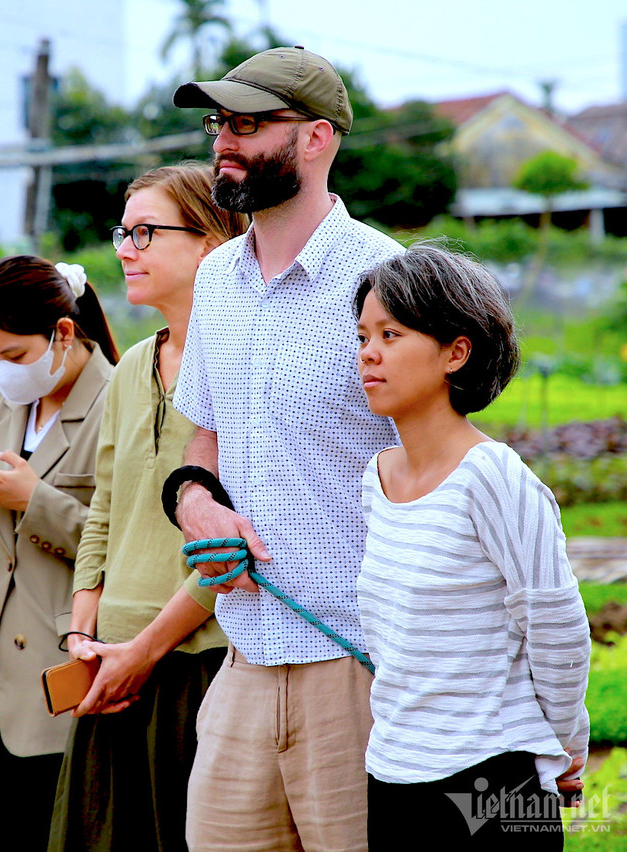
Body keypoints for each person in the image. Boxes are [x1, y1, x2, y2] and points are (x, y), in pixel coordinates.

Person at [166, 47, 403, 850]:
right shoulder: (215, 278)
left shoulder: (387, 279)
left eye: (247, 125)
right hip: (244, 653)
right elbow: (206, 433)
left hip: (359, 662)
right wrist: (197, 505)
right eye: (217, 125)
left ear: (316, 140)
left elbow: (440, 459)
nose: (222, 144)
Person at [354, 245, 590, 849]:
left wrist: (564, 747)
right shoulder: (376, 477)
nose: (369, 353)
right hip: (394, 770)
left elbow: (557, 627)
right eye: (364, 335)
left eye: (392, 333)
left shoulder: (494, 478)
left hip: (496, 780)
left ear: (456, 352)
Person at [48, 165, 247, 852]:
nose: (124, 250)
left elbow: (238, 538)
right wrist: (82, 632)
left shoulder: (243, 361)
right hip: (110, 660)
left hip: (197, 659)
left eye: (145, 233)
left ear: (211, 243)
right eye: (122, 233)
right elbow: (105, 505)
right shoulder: (133, 363)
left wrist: (144, 650)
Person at [0, 254, 118, 852]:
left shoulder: (119, 400)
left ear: (62, 334)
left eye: (11, 356)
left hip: (58, 670)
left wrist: (35, 498)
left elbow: (127, 540)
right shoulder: (2, 403)